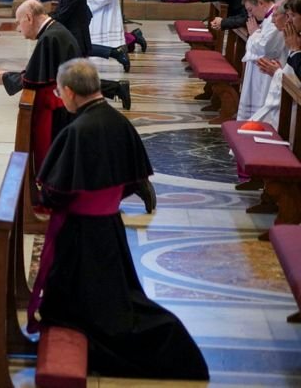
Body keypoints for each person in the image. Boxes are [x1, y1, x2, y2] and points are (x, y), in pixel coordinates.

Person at [31, 59, 208, 381]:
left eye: (60, 92)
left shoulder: (78, 130)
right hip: (109, 227)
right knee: (113, 293)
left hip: (83, 233)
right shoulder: (117, 120)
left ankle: (159, 346)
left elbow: (55, 193)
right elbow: (132, 180)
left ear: (69, 91)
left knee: (94, 305)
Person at [0, 0, 80, 173]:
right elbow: (37, 72)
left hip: (56, 111)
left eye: (19, 22)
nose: (19, 29)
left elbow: (32, 79)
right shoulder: (54, 31)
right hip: (67, 102)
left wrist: (2, 78)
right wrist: (5, 76)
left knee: (52, 158)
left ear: (29, 17)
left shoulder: (49, 38)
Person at [233, 0, 288, 123]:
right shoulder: (269, 19)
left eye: (250, 10)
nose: (249, 14)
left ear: (261, 3)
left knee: (262, 106)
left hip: (267, 71)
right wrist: (255, 35)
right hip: (262, 70)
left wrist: (254, 33)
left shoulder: (274, 19)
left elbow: (265, 48)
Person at [249, 0, 298, 129]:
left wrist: (278, 73)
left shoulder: (294, 40)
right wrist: (278, 72)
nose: (289, 20)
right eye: (288, 15)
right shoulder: (294, 35)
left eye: (292, 15)